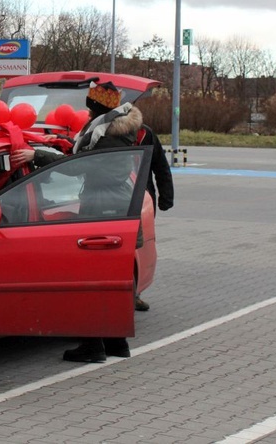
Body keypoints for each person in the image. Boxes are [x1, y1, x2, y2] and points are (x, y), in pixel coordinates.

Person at [10, 81, 172, 363]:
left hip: (104, 211)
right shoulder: (117, 131)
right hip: (117, 207)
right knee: (110, 283)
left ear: (98, 108)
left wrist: (36, 155)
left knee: (92, 282)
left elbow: (78, 166)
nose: (85, 114)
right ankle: (115, 342)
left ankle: (92, 345)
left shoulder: (108, 136)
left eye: (89, 107)